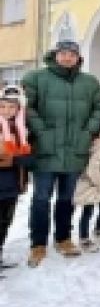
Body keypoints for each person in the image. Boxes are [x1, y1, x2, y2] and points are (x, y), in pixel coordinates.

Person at [23, 40, 100, 267]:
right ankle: (38, 244)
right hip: (46, 150)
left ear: (78, 58)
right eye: (63, 53)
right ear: (55, 55)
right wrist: (41, 132)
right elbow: (26, 107)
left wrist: (88, 131)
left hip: (75, 150)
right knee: (41, 199)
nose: (67, 58)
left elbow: (99, 108)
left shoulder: (89, 82)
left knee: (66, 199)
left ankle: (63, 238)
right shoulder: (36, 78)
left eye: (72, 54)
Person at [73, 122, 100, 251]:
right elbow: (93, 169)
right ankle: (84, 238)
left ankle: (98, 230)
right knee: (88, 211)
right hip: (93, 184)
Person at [0, 86, 30, 267]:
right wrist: (16, 158)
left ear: (19, 109)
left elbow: (26, 157)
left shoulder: (21, 130)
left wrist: (23, 159)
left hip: (13, 183)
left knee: (5, 221)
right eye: (3, 106)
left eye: (12, 107)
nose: (7, 111)